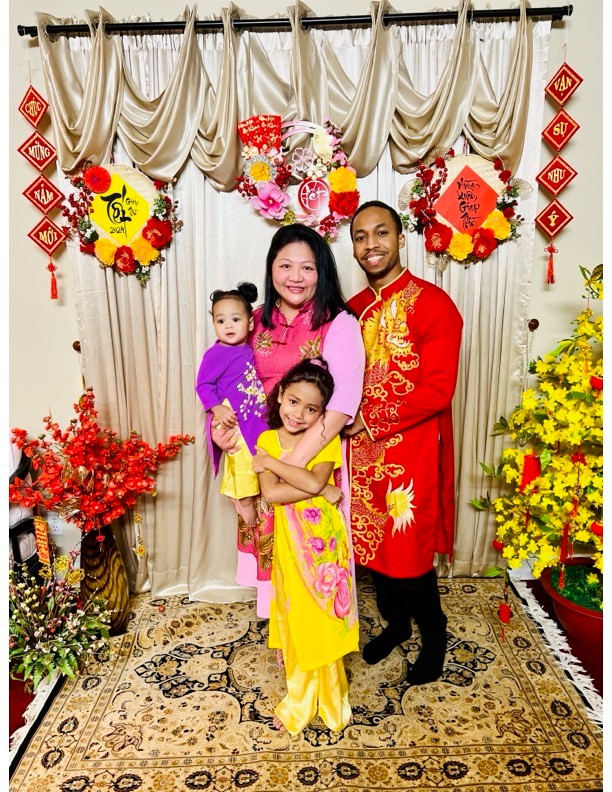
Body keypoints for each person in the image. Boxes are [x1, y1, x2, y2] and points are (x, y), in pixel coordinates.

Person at [213, 224, 365, 618]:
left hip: (312, 453)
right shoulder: (254, 320)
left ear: (323, 272)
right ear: (271, 269)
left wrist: (287, 465)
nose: (295, 277)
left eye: (307, 268)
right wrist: (220, 427)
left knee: (313, 553)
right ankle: (284, 634)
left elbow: (342, 405)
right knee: (273, 548)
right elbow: (228, 379)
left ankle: (315, 639)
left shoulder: (338, 322)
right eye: (285, 266)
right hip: (261, 452)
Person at [344, 200, 463, 685]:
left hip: (410, 455)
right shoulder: (350, 311)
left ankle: (434, 635)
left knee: (408, 553)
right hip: (357, 456)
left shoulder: (434, 304)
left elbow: (437, 388)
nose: (371, 244)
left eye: (381, 233)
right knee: (372, 553)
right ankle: (396, 625)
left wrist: (369, 420)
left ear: (400, 238)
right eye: (360, 236)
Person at [253, 358, 359, 734]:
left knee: (324, 615)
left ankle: (332, 698)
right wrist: (317, 486)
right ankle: (299, 700)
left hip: (324, 543)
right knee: (296, 615)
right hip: (288, 542)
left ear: (322, 415)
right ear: (281, 394)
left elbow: (314, 485)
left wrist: (272, 464)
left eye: (312, 408)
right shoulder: (266, 439)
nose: (299, 414)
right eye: (294, 401)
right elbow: (272, 492)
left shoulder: (323, 443)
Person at [195, 282, 268, 528]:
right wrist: (217, 407)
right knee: (245, 463)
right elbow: (203, 384)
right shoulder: (216, 354)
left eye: (235, 319)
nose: (227, 326)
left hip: (254, 417)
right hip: (236, 419)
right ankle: (245, 507)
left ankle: (241, 498)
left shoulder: (247, 348)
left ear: (249, 323)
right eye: (220, 320)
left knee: (254, 462)